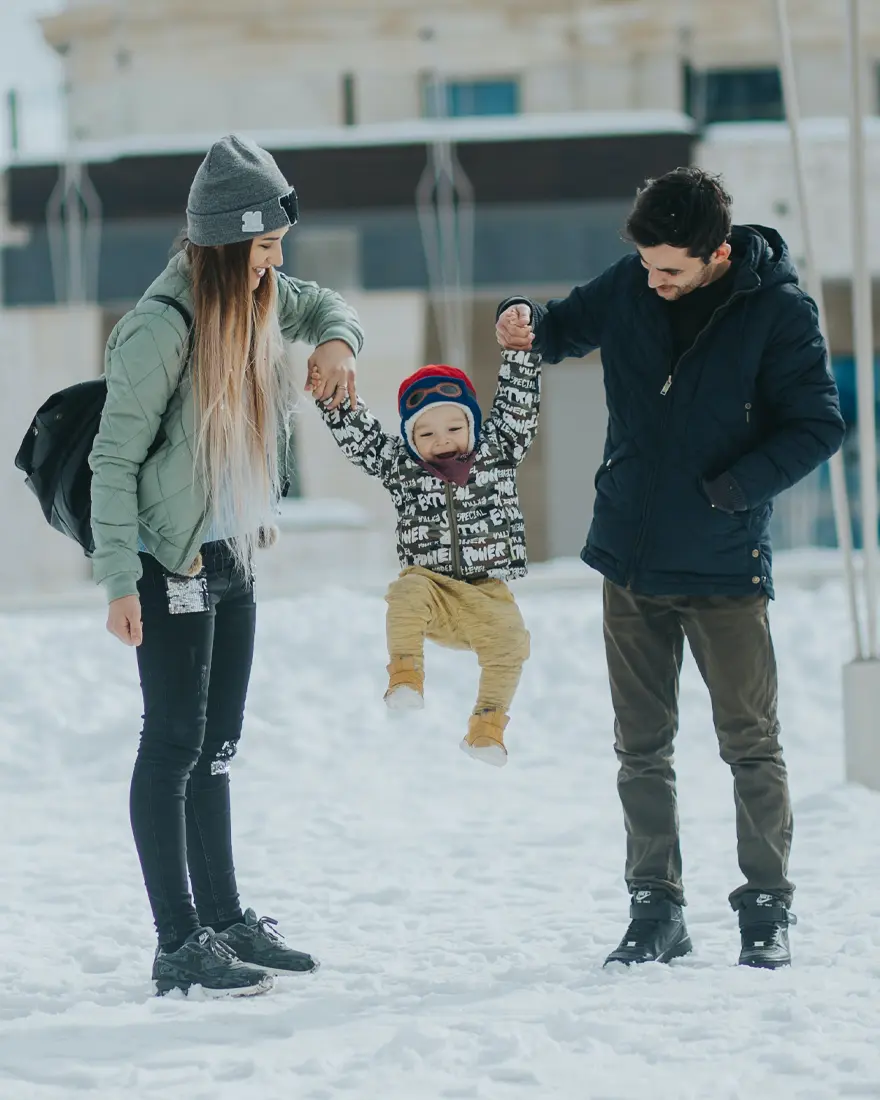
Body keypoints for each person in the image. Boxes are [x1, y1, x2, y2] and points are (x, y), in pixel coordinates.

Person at [495, 168, 845, 969]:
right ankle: (656, 907)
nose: (654, 283)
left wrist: (733, 491)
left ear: (717, 254)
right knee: (640, 747)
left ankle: (766, 908)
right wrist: (525, 322)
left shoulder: (779, 314)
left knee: (750, 745)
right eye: (647, 267)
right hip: (632, 559)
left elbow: (818, 425)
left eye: (671, 272)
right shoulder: (633, 282)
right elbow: (562, 328)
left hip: (724, 566)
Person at [89, 134, 364, 997]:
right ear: (223, 243)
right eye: (265, 246)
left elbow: (327, 308)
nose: (275, 263)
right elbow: (112, 461)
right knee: (172, 745)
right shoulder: (160, 327)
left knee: (217, 746)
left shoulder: (260, 294)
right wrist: (117, 581)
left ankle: (225, 918)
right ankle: (179, 942)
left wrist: (338, 347)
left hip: (233, 551)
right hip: (169, 558)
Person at [309, 347, 541, 766]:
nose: (442, 440)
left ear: (473, 424)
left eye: (454, 426)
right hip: (431, 591)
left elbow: (517, 406)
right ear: (411, 440)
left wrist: (519, 352)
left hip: (486, 594)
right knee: (406, 590)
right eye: (426, 434)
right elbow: (361, 438)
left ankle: (487, 728)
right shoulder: (403, 468)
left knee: (512, 642)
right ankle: (405, 677)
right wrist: (333, 395)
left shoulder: (499, 453)